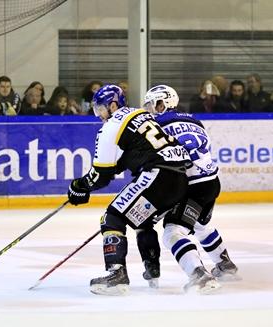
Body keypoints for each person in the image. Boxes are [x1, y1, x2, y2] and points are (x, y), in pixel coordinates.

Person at [66, 84, 196, 295]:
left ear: (113, 105)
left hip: (157, 176)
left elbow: (100, 175)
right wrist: (116, 167)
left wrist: (80, 186)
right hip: (180, 178)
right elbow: (139, 151)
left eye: (100, 109)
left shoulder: (110, 126)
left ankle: (117, 275)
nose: (98, 115)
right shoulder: (140, 114)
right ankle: (152, 270)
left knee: (112, 218)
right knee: (142, 219)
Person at [139, 84, 240, 289]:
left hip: (190, 186)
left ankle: (199, 275)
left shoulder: (157, 126)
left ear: (162, 104)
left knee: (173, 232)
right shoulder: (195, 121)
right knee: (200, 225)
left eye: (151, 106)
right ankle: (225, 265)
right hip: (211, 183)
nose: (149, 111)